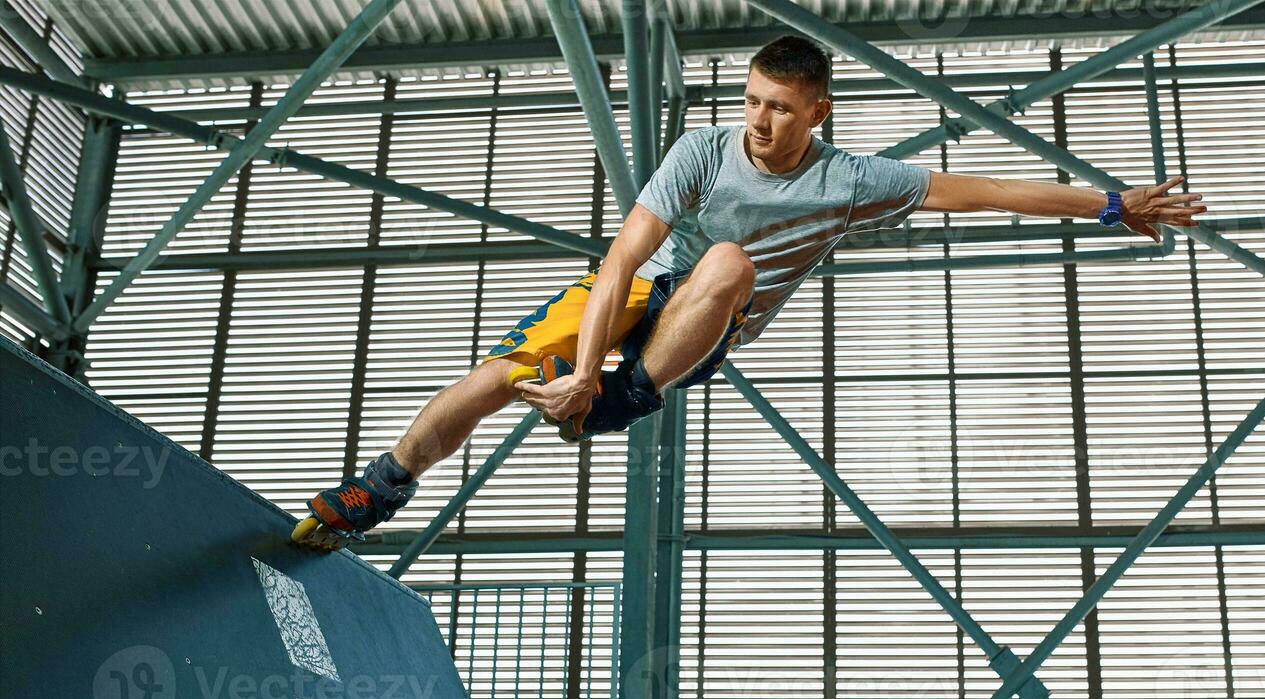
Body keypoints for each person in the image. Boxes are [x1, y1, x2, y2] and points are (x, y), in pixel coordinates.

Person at [294, 33, 1205, 549]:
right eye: (752, 101)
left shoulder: (852, 180)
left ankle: (626, 400)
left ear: (818, 112)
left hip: (706, 317)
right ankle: (376, 491)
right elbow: (619, 263)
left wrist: (1112, 204)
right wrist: (572, 370)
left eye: (779, 109)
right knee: (496, 380)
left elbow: (993, 192)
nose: (759, 124)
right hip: (642, 290)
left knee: (727, 262)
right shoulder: (700, 150)